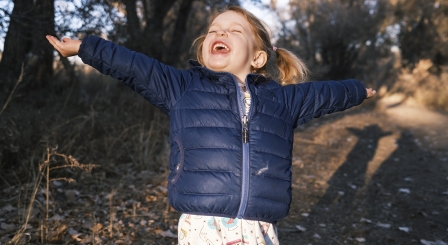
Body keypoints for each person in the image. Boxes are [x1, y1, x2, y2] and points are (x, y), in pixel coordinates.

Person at [47, 5, 376, 245]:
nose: (220, 33)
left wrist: (359, 90)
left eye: (234, 31)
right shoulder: (184, 87)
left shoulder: (282, 101)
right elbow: (135, 67)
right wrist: (84, 47)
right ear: (205, 52)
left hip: (259, 226)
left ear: (258, 58)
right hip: (202, 224)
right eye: (214, 30)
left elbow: (325, 94)